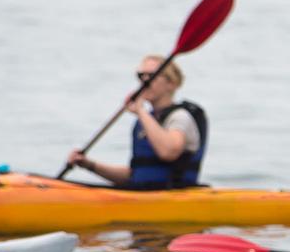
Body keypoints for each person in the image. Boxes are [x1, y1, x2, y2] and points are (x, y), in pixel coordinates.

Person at [67, 55, 207, 189]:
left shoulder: (180, 117)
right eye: (141, 76)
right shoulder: (146, 121)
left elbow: (168, 152)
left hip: (173, 196)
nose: (144, 81)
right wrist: (90, 165)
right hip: (145, 196)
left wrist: (140, 111)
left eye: (151, 76)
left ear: (171, 83)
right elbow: (134, 176)